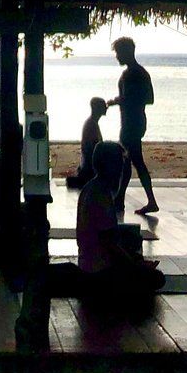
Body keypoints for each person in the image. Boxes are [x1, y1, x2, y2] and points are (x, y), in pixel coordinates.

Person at [51, 141, 163, 305]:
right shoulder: (101, 195)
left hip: (89, 264)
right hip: (99, 273)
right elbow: (109, 244)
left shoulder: (91, 188)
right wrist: (134, 265)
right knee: (156, 278)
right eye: (119, 164)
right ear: (111, 166)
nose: (122, 170)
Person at [107, 35, 158, 215]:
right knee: (127, 161)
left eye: (119, 53)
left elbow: (139, 99)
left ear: (127, 52)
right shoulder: (141, 73)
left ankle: (151, 200)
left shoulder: (132, 74)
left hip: (131, 124)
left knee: (135, 160)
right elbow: (149, 98)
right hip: (134, 122)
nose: (117, 57)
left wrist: (116, 101)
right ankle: (120, 198)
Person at [66, 97, 108, 190]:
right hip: (89, 166)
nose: (106, 107)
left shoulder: (92, 123)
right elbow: (92, 149)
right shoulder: (91, 125)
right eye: (104, 105)